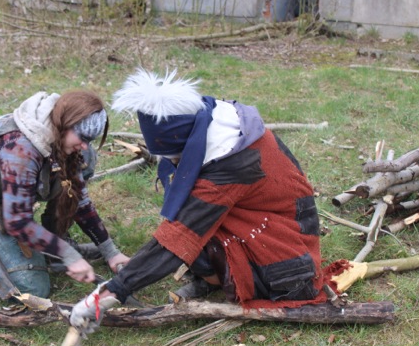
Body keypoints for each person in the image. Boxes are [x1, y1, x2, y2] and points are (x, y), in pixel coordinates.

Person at [69, 68, 329, 332]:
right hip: (260, 216)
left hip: (288, 252)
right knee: (191, 220)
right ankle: (213, 278)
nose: (173, 163)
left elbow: (179, 236)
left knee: (190, 230)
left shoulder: (232, 159)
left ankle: (221, 277)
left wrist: (109, 293)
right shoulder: (208, 120)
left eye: (175, 157)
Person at [0, 90, 130, 300]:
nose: (85, 145)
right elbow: (18, 222)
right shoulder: (20, 149)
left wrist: (110, 252)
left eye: (91, 139)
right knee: (31, 289)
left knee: (85, 158)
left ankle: (53, 243)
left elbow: (77, 197)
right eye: (83, 137)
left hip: (8, 197)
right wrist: (69, 255)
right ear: (64, 124)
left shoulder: (57, 135)